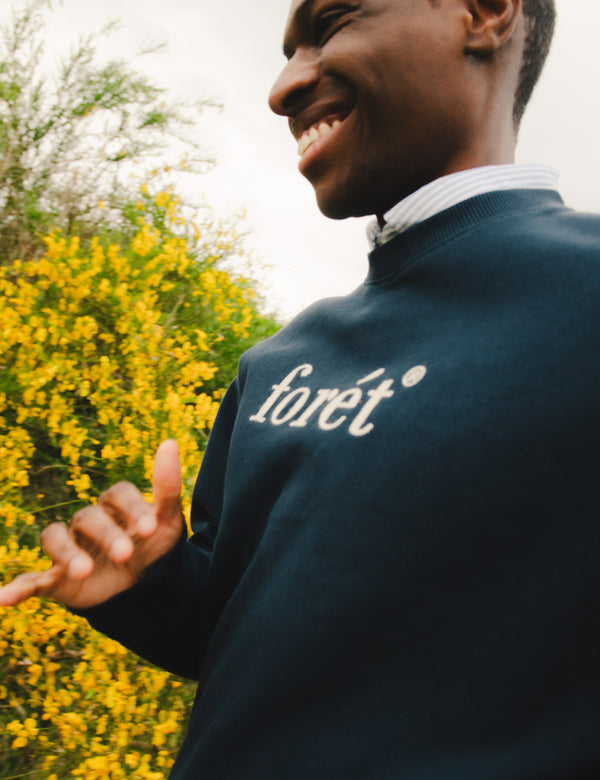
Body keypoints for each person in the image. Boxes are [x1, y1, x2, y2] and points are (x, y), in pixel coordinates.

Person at [2, 0, 600, 776]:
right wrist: (150, 588)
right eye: (288, 51)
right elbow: (253, 654)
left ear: (482, 13)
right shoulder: (279, 362)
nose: (283, 88)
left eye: (333, 23)